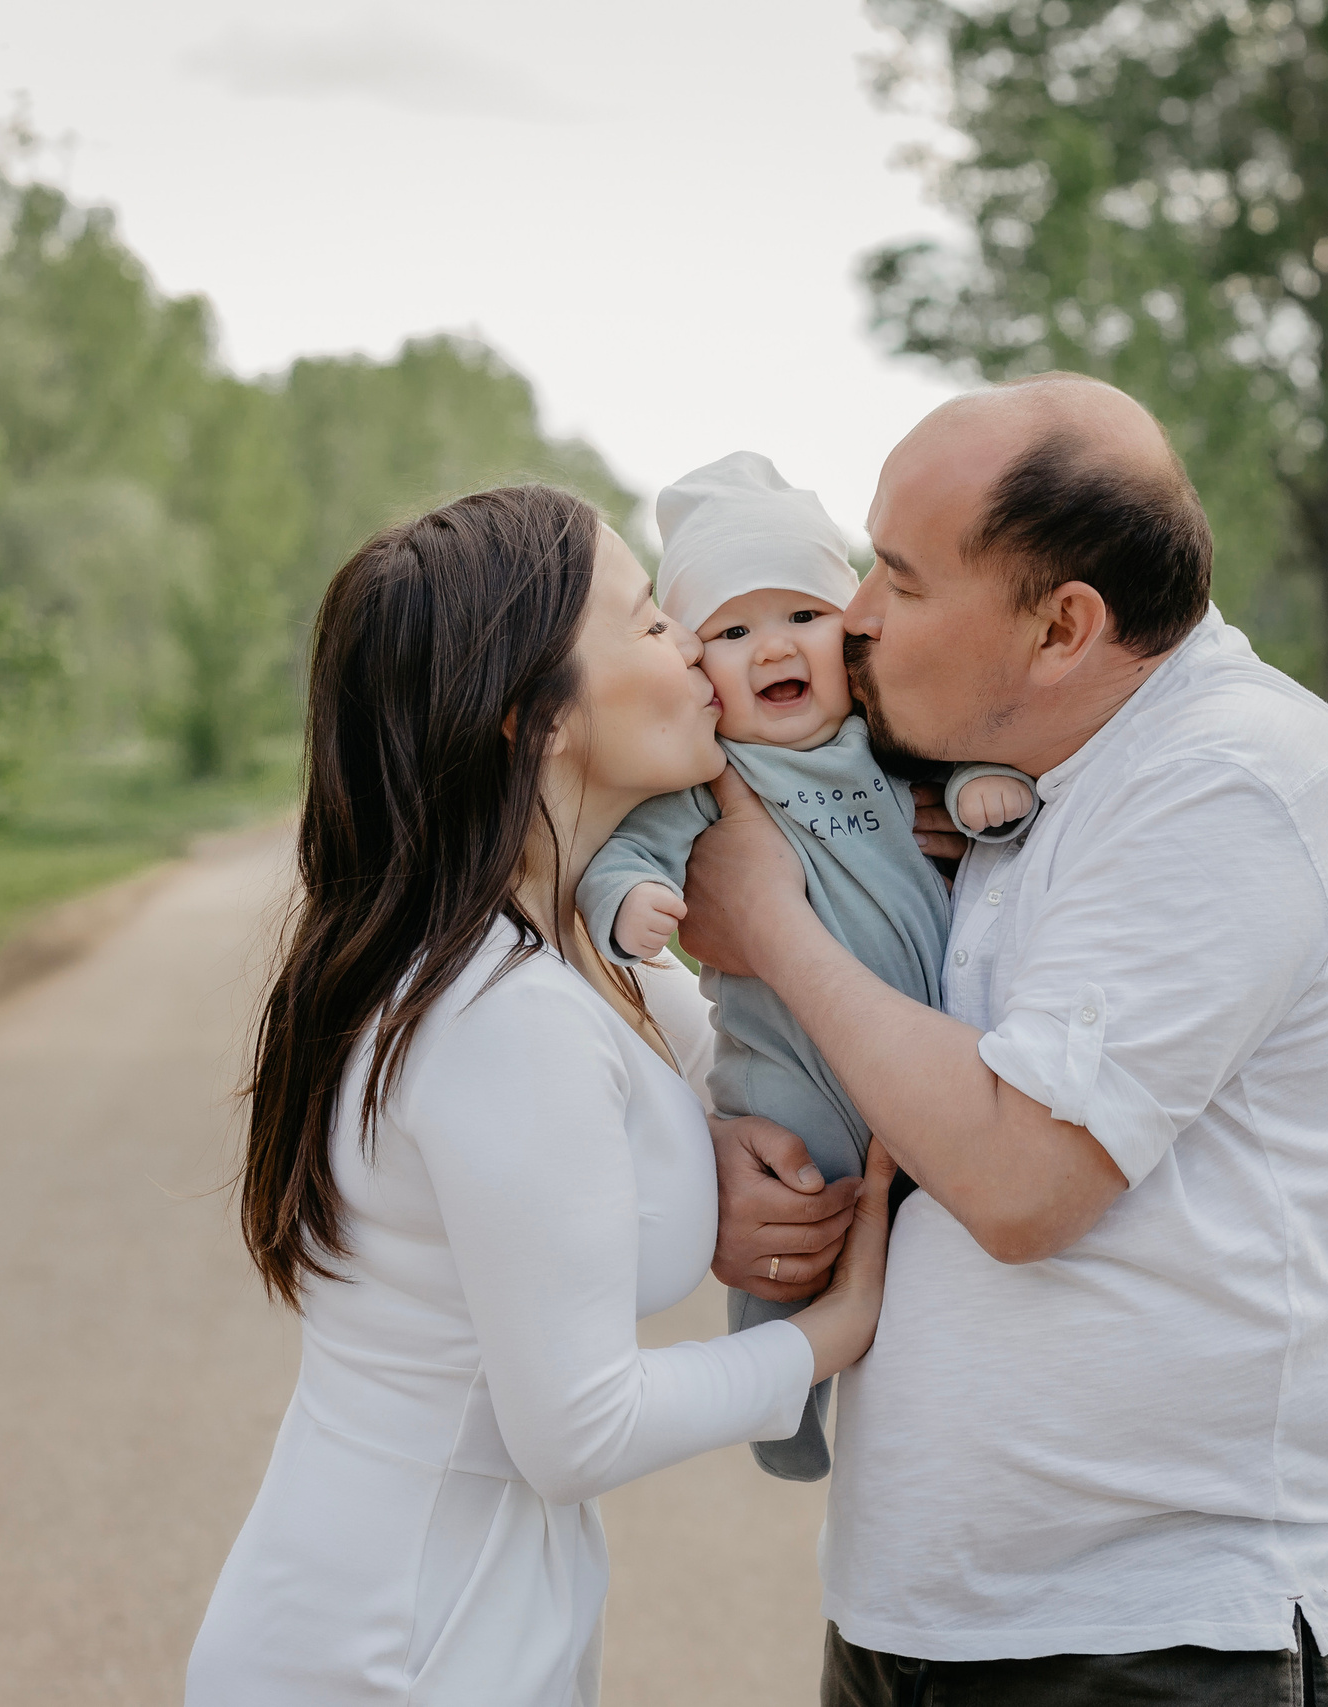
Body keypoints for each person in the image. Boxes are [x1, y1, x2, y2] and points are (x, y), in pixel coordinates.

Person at [683, 377, 1328, 1705]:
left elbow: (1023, 1179)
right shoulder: (1037, 776)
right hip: (942, 1608)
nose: (852, 618)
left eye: (900, 583)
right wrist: (741, 1155)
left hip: (1153, 1643)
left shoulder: (1228, 782)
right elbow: (915, 1075)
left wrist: (774, 922)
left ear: (1062, 625)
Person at [185, 485, 898, 1707]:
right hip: (397, 1652)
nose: (696, 649)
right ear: (537, 719)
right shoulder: (498, 1012)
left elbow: (699, 1075)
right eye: (648, 626)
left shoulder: (562, 950)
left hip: (457, 1614)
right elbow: (577, 1430)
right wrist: (832, 1332)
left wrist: (719, 1144)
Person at [575, 450, 1033, 1482]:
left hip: (921, 1040)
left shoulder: (889, 738)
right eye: (732, 633)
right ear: (700, 668)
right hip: (787, 1059)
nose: (771, 647)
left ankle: (906, 1378)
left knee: (924, 1221)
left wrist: (979, 799)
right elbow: (630, 855)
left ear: (848, 631)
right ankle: (780, 1392)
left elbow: (966, 779)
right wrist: (630, 901)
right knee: (800, 1194)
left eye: (801, 617)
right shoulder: (717, 772)